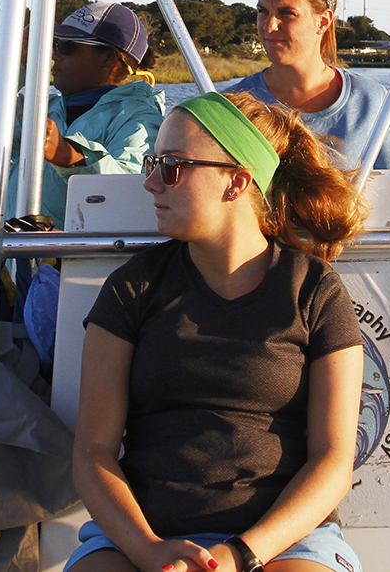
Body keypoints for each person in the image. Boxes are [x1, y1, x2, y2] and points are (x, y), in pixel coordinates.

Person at [70, 91, 367, 572]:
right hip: (141, 535)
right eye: (151, 163)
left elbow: (333, 460)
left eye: (170, 166)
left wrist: (241, 554)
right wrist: (148, 550)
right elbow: (92, 451)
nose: (149, 182)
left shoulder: (315, 291)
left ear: (236, 181)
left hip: (283, 540)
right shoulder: (132, 287)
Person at [0, 1, 167, 212]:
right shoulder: (45, 109)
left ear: (109, 58)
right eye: (55, 45)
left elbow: (130, 189)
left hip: (71, 251)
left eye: (67, 46)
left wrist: (70, 156)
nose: (55, 54)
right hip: (18, 248)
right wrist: (17, 61)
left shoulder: (139, 120)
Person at [227, 0, 390, 172]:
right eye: (262, 11)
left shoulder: (374, 103)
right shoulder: (231, 105)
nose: (269, 26)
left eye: (287, 13)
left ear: (322, 21)